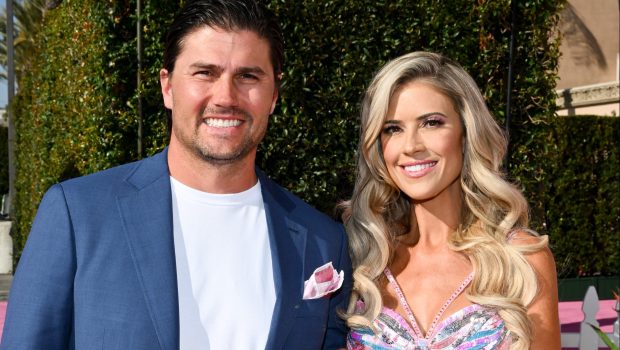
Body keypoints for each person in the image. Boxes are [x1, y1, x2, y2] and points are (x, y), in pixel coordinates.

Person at [0, 1, 351, 349]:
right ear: (167, 87)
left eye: (248, 76)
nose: (226, 96)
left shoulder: (323, 242)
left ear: (274, 94)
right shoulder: (78, 214)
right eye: (205, 73)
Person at [342, 52, 560, 349]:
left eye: (431, 123)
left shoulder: (520, 258)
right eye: (392, 128)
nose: (411, 146)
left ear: (466, 133)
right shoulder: (359, 259)